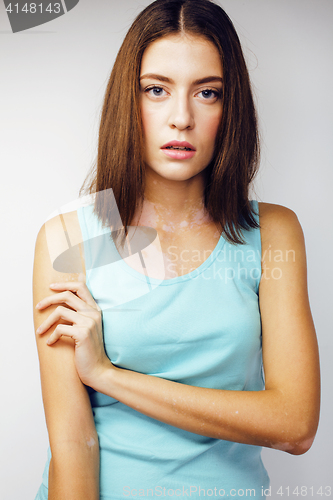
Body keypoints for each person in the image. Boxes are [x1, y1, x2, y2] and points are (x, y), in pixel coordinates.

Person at [33, 0, 320, 499]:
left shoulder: (273, 233)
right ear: (129, 101)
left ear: (231, 109)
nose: (181, 118)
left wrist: (105, 374)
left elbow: (295, 425)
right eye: (156, 90)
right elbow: (73, 445)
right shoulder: (69, 240)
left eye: (207, 93)